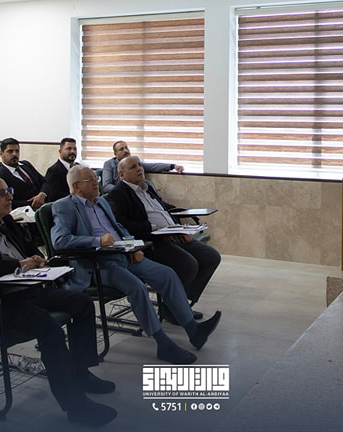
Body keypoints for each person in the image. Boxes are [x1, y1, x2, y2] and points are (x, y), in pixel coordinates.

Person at [0, 175, 117, 427]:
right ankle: (75, 405)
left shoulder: (8, 221)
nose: (10, 196)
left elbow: (30, 248)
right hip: (1, 299)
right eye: (2, 193)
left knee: (82, 303)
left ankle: (81, 372)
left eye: (8, 190)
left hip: (30, 287)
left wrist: (37, 259)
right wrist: (17, 265)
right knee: (49, 328)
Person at [51, 166, 221, 365]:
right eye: (90, 180)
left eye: (95, 178)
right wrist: (96, 241)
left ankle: (194, 330)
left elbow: (118, 227)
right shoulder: (64, 206)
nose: (96, 182)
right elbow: (60, 241)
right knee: (137, 287)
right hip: (98, 264)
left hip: (124, 254)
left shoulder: (101, 202)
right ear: (76, 186)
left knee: (166, 274)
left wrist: (133, 245)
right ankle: (163, 344)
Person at [107, 156, 221, 312]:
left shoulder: (147, 188)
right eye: (133, 167)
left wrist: (180, 228)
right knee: (188, 265)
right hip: (151, 242)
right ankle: (173, 310)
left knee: (211, 257)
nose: (139, 169)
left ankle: (182, 303)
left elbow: (164, 210)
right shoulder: (118, 194)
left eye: (139, 165)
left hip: (172, 234)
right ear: (121, 174)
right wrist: (154, 229)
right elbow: (122, 224)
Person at [101, 140, 183, 194]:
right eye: (121, 149)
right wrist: (126, 189)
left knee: (148, 185)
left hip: (139, 192)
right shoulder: (109, 164)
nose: (125, 151)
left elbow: (152, 166)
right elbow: (106, 186)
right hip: (123, 195)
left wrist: (172, 166)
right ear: (115, 154)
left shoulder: (134, 160)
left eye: (126, 148)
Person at [0, 137, 46, 210]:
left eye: (17, 151)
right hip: (23, 211)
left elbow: (44, 181)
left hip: (43, 203)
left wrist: (42, 194)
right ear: (1, 154)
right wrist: (32, 202)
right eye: (10, 151)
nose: (14, 154)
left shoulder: (26, 164)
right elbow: (3, 201)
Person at [42, 137, 78, 203]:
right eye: (69, 149)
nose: (72, 151)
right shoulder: (53, 171)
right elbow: (55, 195)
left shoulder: (79, 167)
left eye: (75, 149)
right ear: (60, 151)